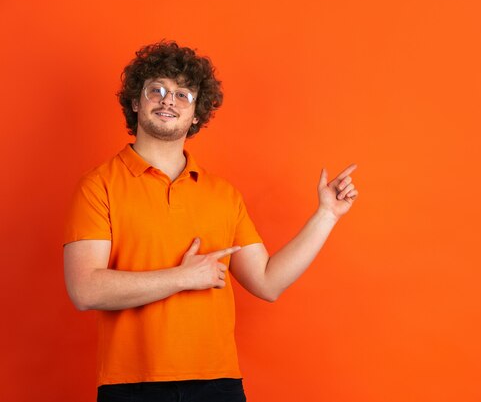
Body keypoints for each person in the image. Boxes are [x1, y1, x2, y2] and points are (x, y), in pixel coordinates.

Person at [63, 41, 358, 402]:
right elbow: (85, 289)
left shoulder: (223, 194)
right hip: (132, 384)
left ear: (197, 114)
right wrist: (183, 277)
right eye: (157, 90)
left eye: (183, 94)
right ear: (136, 102)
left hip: (219, 383)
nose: (168, 100)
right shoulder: (98, 185)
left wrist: (326, 215)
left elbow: (267, 282)